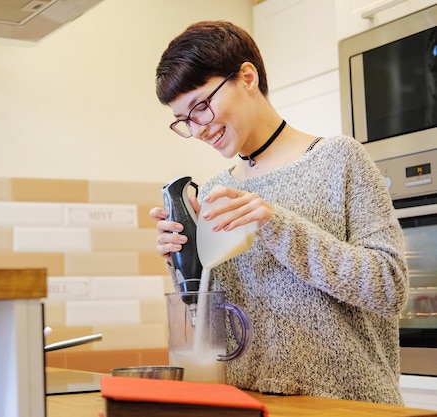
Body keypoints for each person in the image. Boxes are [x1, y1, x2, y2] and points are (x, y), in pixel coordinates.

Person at [150, 21, 408, 405]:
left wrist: (275, 224)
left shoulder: (340, 159)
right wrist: (182, 261)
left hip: (348, 406)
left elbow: (390, 289)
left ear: (247, 77)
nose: (198, 129)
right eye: (185, 120)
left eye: (201, 107)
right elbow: (216, 327)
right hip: (252, 404)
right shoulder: (214, 191)